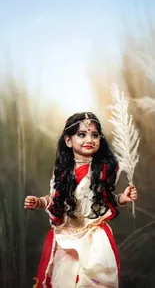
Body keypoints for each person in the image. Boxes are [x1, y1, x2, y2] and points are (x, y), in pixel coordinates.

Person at [24, 112, 137, 288]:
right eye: (82, 135)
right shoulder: (62, 171)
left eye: (95, 135)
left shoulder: (103, 170)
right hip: (67, 237)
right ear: (68, 141)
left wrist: (123, 198)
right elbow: (55, 198)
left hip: (93, 239)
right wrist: (39, 202)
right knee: (64, 279)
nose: (89, 139)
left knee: (92, 281)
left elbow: (106, 200)